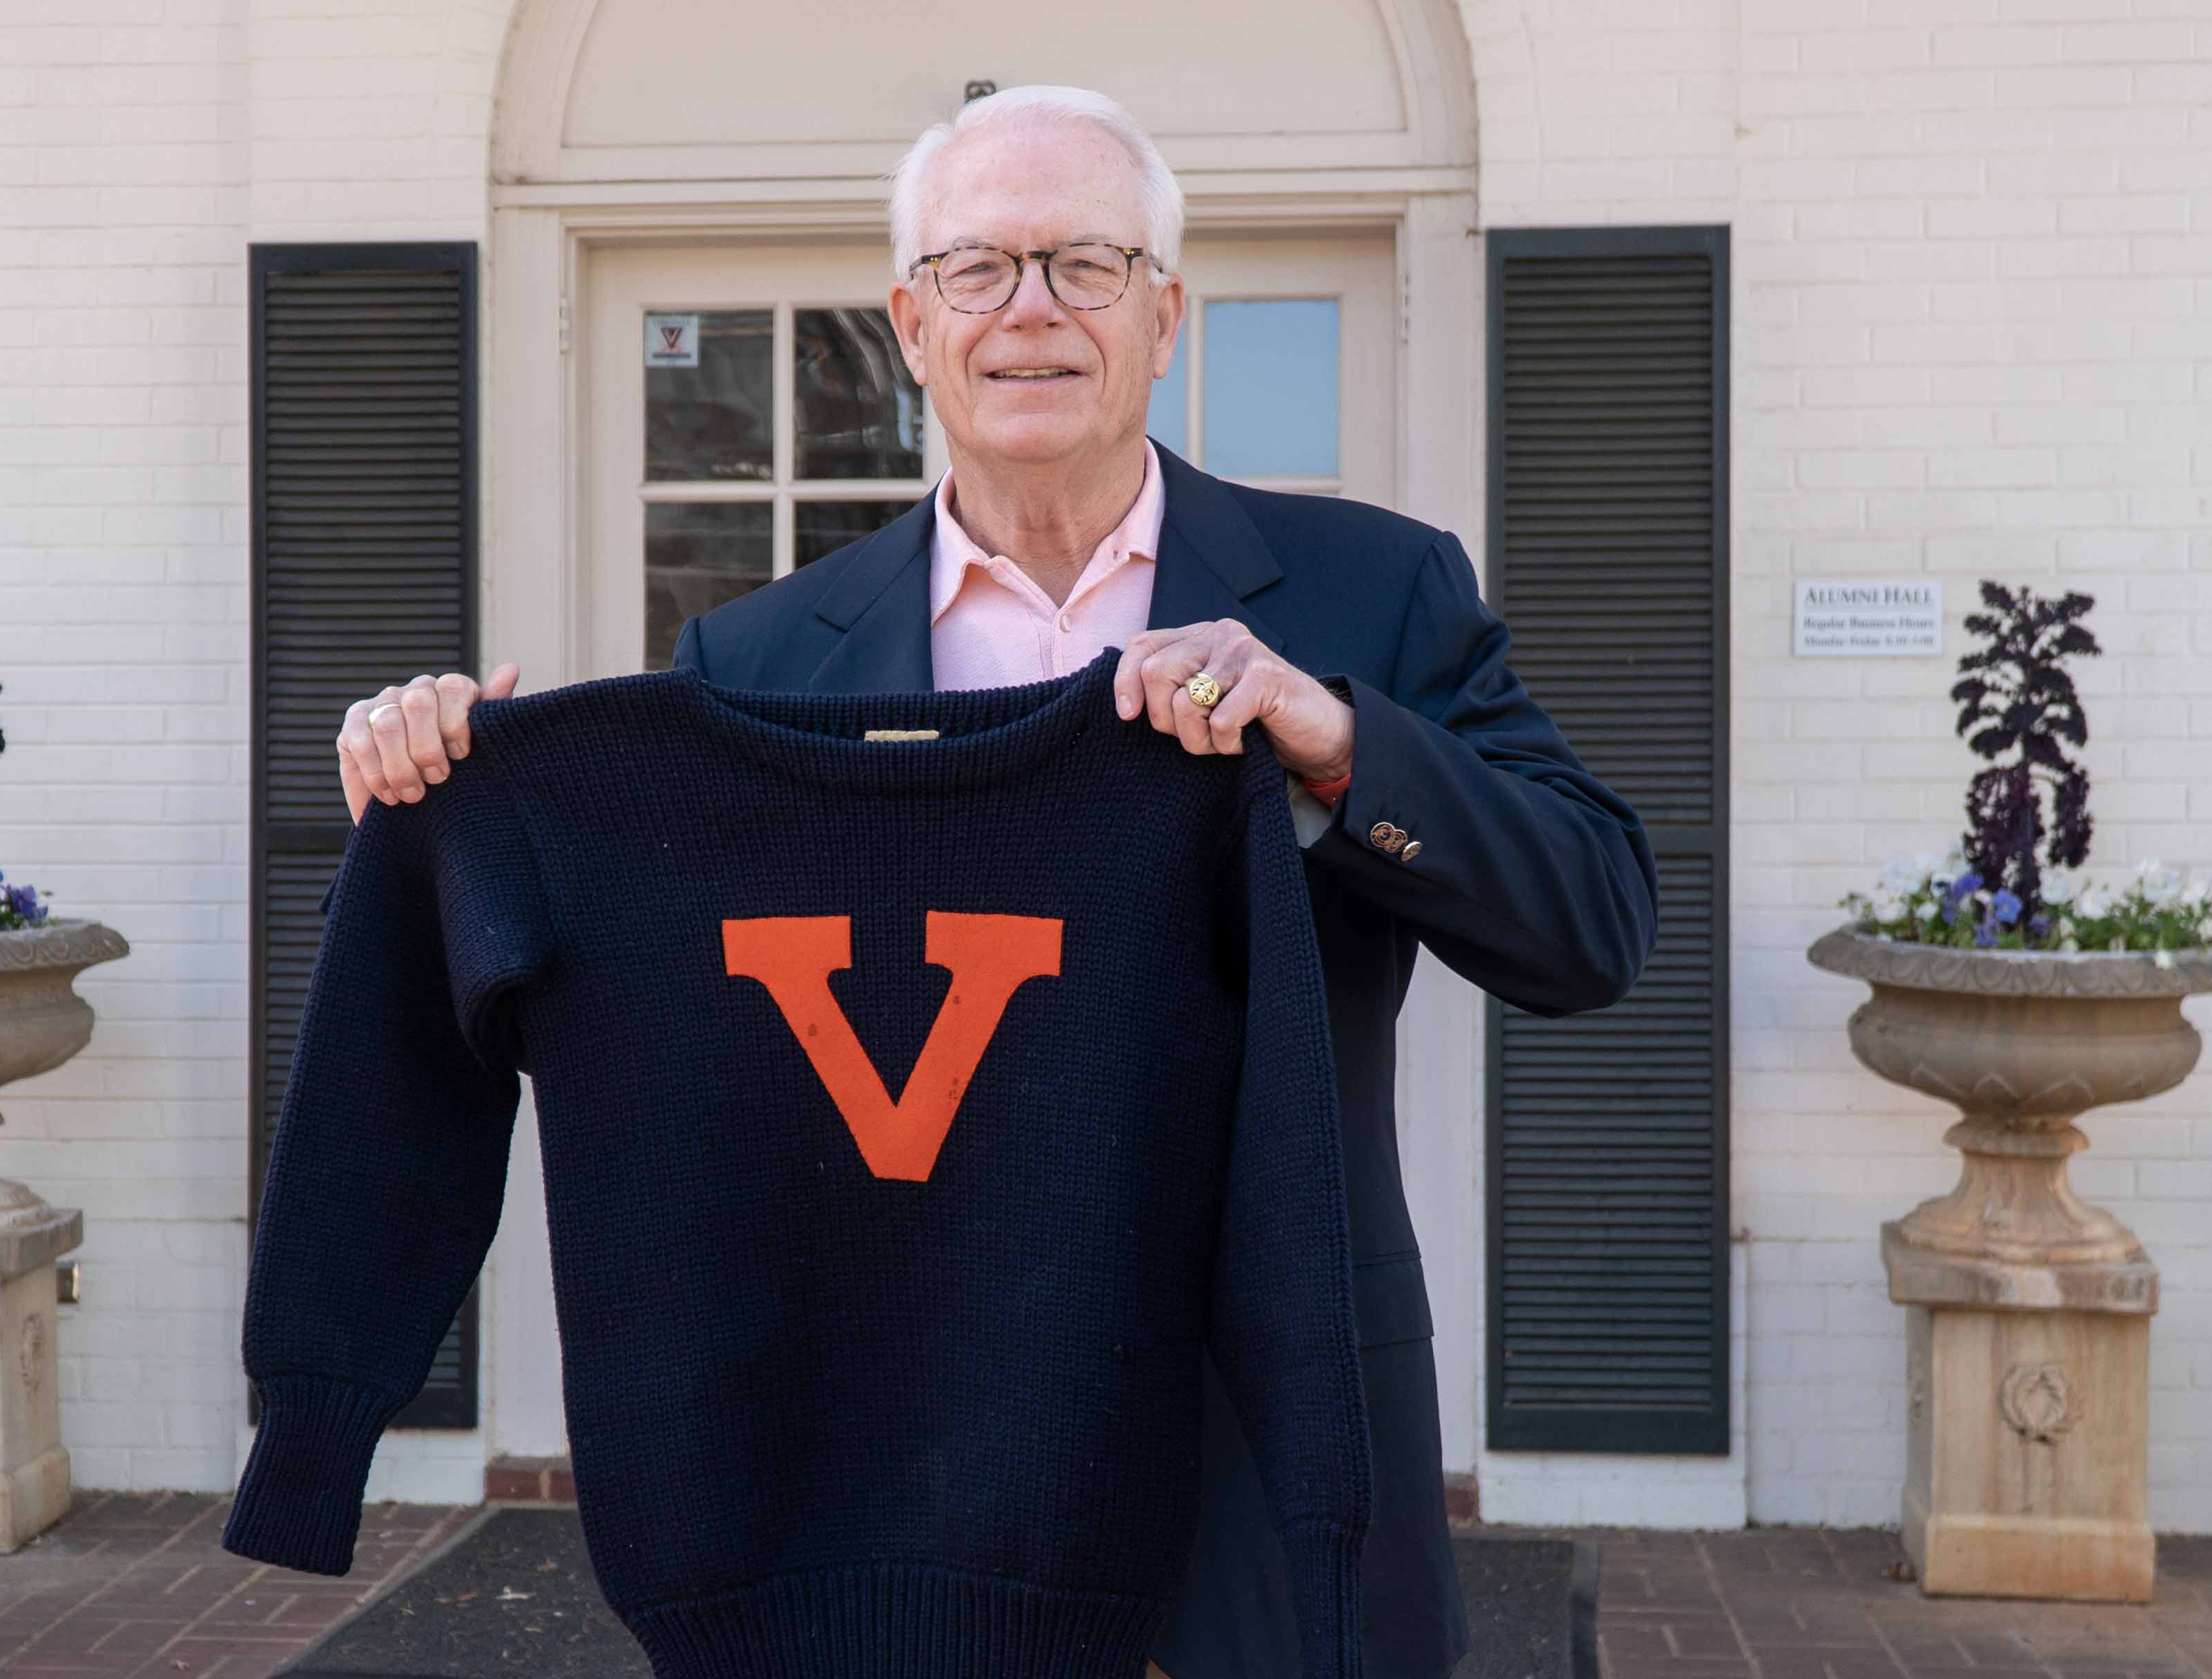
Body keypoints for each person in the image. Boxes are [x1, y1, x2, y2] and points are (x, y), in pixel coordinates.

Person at [328, 83, 1657, 1679]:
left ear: (1165, 313)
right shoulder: (756, 662)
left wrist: (1329, 739)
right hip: (907, 1476)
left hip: (1275, 1445)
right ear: (909, 323)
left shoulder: (1378, 592)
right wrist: (445, 790)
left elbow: (1595, 918)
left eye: (1085, 265)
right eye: (979, 270)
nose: (1032, 310)